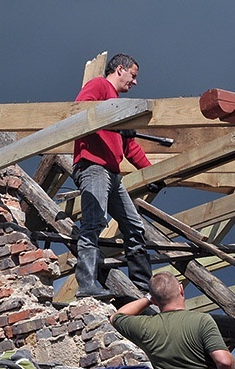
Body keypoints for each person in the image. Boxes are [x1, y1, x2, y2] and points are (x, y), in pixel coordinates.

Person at [72, 53, 157, 299]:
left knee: (134, 225)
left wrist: (150, 172)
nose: (135, 82)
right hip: (93, 166)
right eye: (133, 75)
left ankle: (142, 286)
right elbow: (82, 110)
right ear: (119, 69)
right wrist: (113, 120)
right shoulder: (99, 86)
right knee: (95, 221)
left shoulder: (118, 103)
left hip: (112, 173)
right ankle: (87, 284)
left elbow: (130, 147)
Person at [110, 271, 234, 369]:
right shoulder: (202, 321)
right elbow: (224, 361)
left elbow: (116, 317)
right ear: (181, 289)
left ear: (154, 300)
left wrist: (148, 298)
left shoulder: (145, 327)